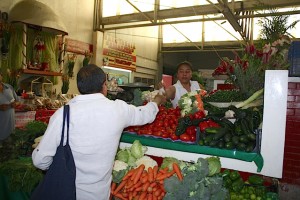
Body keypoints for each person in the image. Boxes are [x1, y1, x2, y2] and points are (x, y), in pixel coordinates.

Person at [32, 64, 166, 200]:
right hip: (99, 194)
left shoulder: (63, 114)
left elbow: (40, 160)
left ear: (79, 86)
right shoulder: (118, 110)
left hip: (67, 191)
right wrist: (156, 101)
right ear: (104, 86)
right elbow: (145, 114)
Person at [0, 71, 19, 142]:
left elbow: (17, 101)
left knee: (9, 148)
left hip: (10, 126)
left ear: (1, 76)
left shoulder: (9, 87)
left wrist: (15, 104)